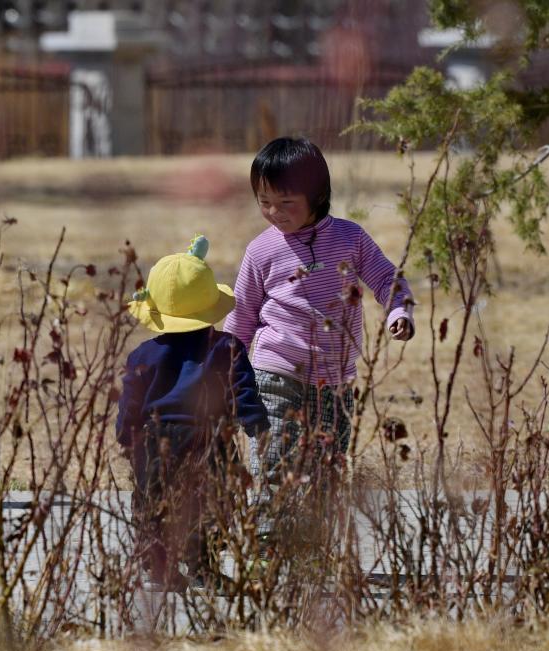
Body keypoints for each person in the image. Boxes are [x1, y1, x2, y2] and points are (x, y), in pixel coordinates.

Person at [223, 136, 414, 486]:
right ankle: (269, 523)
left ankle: (316, 523)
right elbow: (243, 315)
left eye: (286, 202)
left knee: (327, 473)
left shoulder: (349, 238)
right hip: (275, 372)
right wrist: (228, 370)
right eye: (264, 202)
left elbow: (387, 278)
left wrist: (398, 311)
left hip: (335, 380)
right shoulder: (261, 251)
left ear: (317, 195)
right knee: (274, 465)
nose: (274, 212)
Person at [117, 235, 268, 590]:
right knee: (211, 502)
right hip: (209, 439)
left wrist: (126, 435)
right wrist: (255, 422)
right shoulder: (227, 347)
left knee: (153, 501)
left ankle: (157, 567)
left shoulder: (142, 355)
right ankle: (202, 565)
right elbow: (243, 389)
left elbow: (130, 403)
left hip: (154, 440)